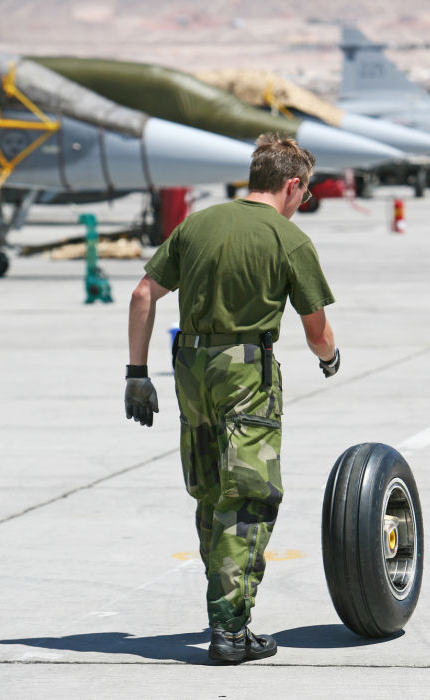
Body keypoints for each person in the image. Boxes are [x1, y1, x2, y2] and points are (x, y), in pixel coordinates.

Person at [124, 133, 339, 664]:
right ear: (291, 184)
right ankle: (230, 632)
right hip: (245, 371)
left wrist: (135, 373)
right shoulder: (287, 240)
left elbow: (142, 294)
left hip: (190, 368)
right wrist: (331, 360)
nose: (302, 204)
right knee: (248, 496)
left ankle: (224, 612)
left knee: (210, 491)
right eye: (305, 195)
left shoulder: (197, 223)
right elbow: (317, 330)